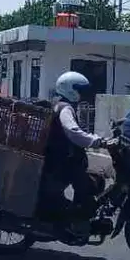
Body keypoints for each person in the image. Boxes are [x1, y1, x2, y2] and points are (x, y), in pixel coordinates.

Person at [42, 71, 106, 222]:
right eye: (80, 90)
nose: (82, 94)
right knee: (89, 183)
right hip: (62, 161)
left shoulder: (58, 104)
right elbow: (73, 132)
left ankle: (78, 214)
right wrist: (96, 141)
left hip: (59, 158)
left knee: (90, 179)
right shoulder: (65, 108)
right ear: (70, 89)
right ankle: (77, 217)